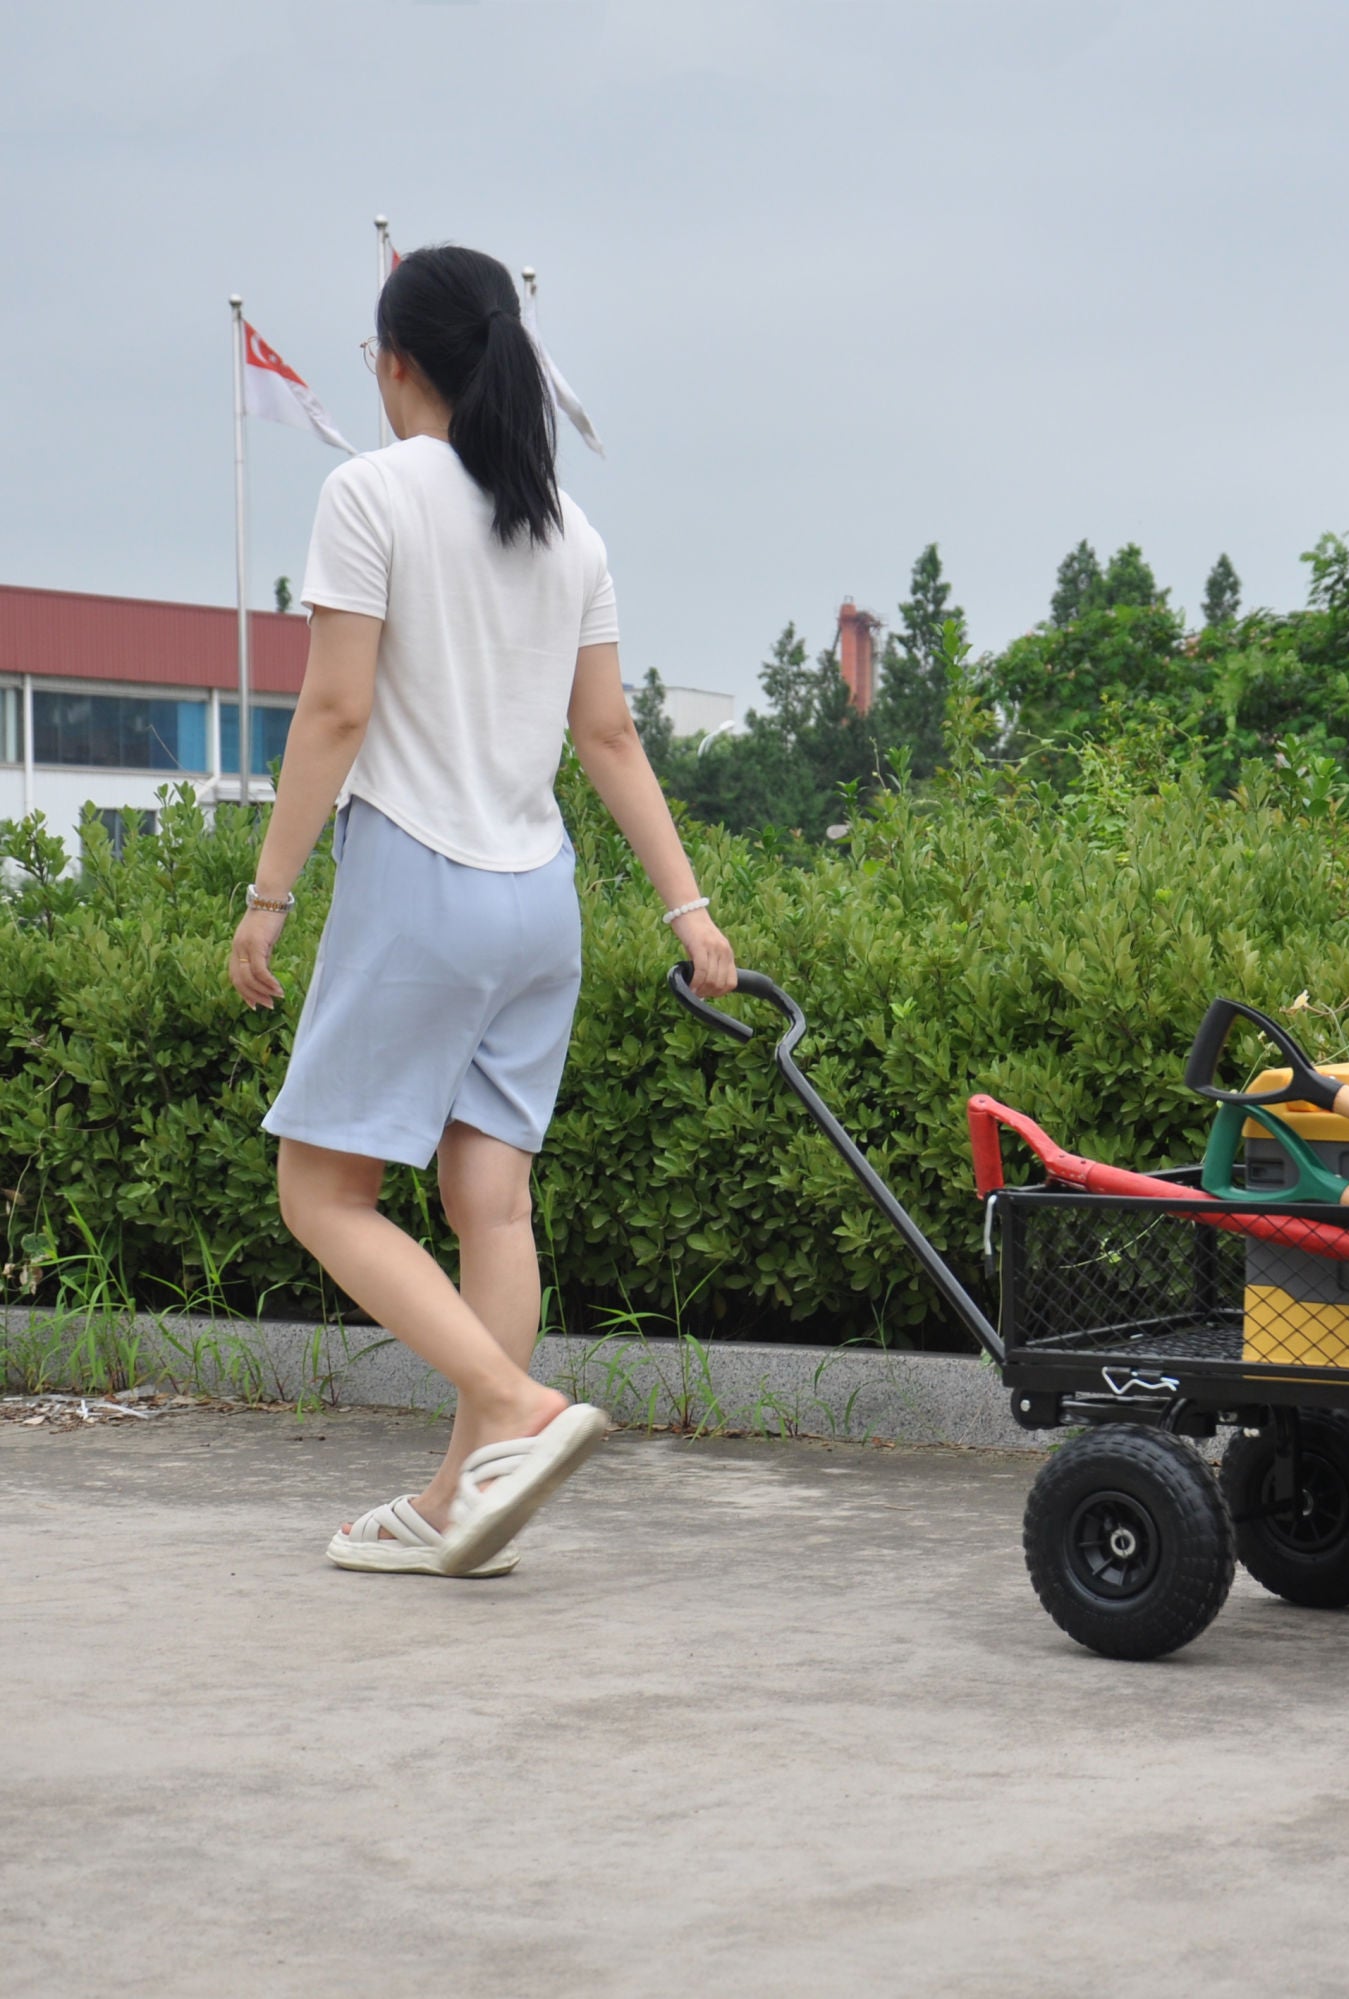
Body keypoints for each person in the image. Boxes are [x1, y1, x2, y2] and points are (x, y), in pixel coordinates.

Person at [226, 244, 736, 1578]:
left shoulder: (367, 492)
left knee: (320, 1190)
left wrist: (267, 897)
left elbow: (335, 711)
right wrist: (688, 907)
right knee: (488, 1203)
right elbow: (611, 736)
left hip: (419, 881)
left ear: (397, 363)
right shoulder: (569, 527)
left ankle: (514, 1413)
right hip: (540, 902)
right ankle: (464, 1501)